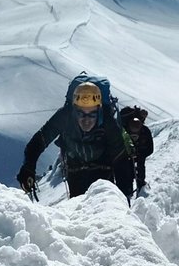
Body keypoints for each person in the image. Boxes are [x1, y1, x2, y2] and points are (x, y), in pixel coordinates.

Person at [17, 73, 154, 200]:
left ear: (99, 110)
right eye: (81, 114)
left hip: (102, 167)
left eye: (91, 114)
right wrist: (28, 167)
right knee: (78, 205)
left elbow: (121, 161)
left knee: (104, 203)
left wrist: (123, 199)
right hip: (76, 167)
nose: (86, 119)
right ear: (74, 111)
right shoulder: (65, 116)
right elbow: (39, 141)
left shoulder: (108, 123)